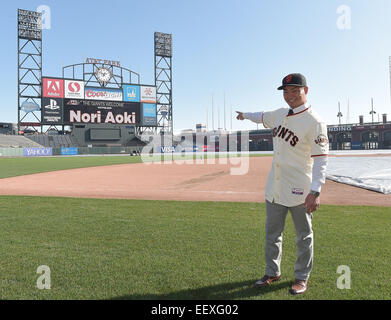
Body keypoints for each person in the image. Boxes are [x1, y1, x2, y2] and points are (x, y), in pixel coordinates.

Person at [236, 73, 329, 295]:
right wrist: (245, 115)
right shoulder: (279, 114)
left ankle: (301, 278)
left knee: (303, 236)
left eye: (295, 91)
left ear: (306, 91)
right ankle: (272, 272)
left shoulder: (315, 121)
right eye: (286, 91)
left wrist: (315, 191)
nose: (290, 95)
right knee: (272, 234)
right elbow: (261, 116)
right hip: (275, 188)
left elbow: (321, 160)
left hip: (300, 190)